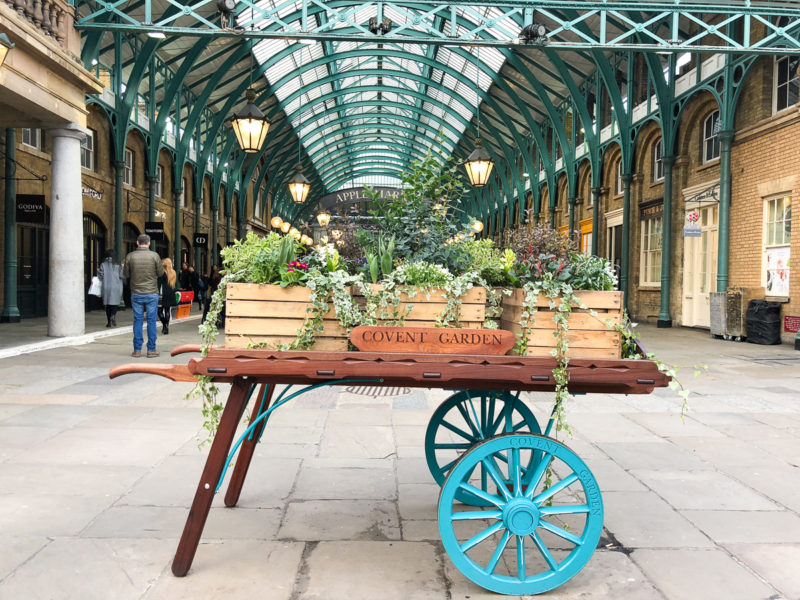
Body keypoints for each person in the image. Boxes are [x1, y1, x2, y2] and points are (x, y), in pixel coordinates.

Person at [123, 234, 164, 358]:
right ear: (149, 243)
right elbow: (161, 273)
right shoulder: (155, 256)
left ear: (137, 242)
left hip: (136, 293)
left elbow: (126, 274)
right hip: (151, 293)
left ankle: (137, 350)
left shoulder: (130, 256)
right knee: (151, 321)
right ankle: (151, 349)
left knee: (138, 320)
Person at [98, 249, 123, 327]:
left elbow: (100, 276)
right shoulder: (118, 265)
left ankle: (109, 322)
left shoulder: (103, 264)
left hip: (106, 286)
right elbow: (121, 275)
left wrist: (98, 271)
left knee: (107, 305)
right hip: (116, 286)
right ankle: (113, 315)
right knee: (115, 304)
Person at [158, 257, 178, 335]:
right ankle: (166, 326)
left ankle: (164, 324)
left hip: (162, 292)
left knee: (159, 310)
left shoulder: (162, 272)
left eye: (163, 262)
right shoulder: (173, 272)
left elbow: (158, 283)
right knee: (167, 310)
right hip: (170, 292)